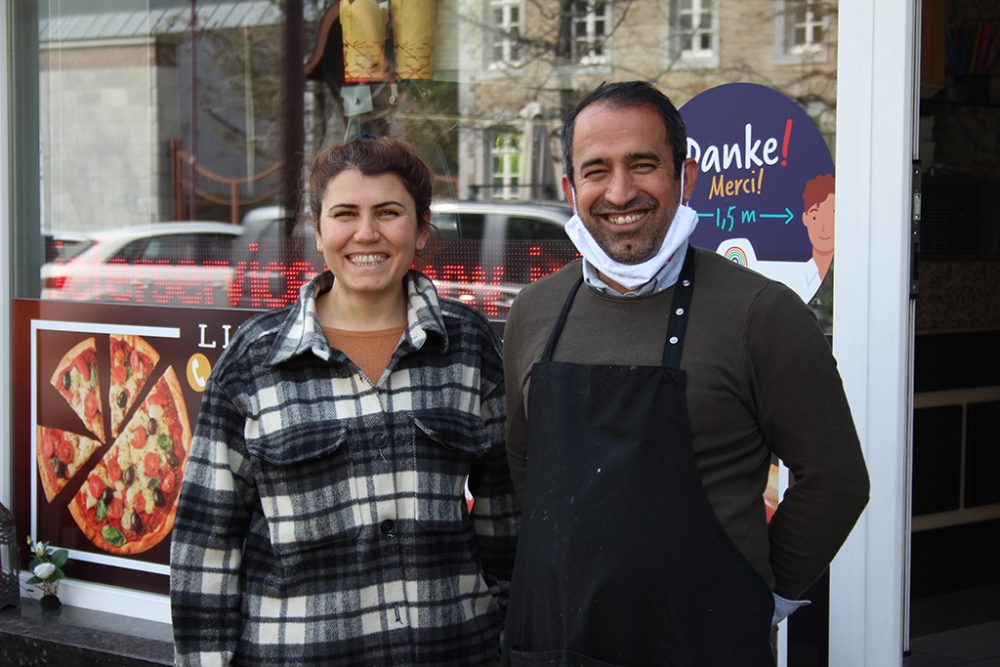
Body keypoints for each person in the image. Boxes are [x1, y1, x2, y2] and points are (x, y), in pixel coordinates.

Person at [501, 81, 869, 665]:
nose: (620, 191)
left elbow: (836, 479)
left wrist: (762, 595)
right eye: (596, 171)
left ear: (686, 177)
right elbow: (525, 463)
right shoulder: (534, 310)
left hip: (706, 644)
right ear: (571, 188)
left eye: (642, 164)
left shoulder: (761, 313)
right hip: (554, 643)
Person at [170, 136, 518, 665]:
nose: (366, 233)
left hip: (454, 650)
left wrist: (504, 634)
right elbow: (207, 544)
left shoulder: (468, 346)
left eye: (389, 212)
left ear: (420, 228)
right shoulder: (255, 361)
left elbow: (505, 519)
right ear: (318, 229)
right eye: (345, 213)